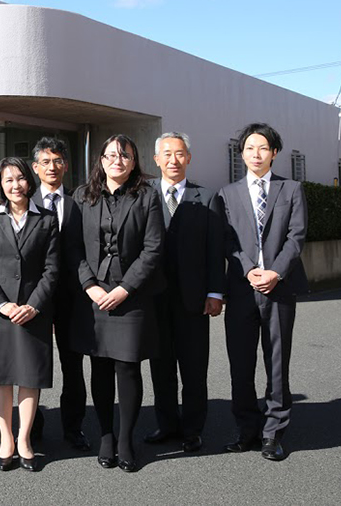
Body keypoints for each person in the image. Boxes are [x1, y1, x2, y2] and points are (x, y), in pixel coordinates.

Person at [68, 135, 164, 473]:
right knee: (100, 366)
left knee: (127, 366)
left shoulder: (147, 196)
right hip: (93, 293)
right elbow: (73, 247)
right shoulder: (82, 196)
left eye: (124, 155)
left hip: (130, 294)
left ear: (134, 161)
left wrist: (126, 288)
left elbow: (153, 249)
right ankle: (106, 435)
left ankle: (125, 439)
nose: (117, 160)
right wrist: (89, 285)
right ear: (101, 160)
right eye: (110, 155)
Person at [217, 123, 308, 462]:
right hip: (242, 289)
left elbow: (296, 237)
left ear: (274, 152)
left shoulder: (292, 189)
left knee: (277, 362)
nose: (256, 154)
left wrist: (276, 272)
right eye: (250, 148)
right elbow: (227, 240)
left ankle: (273, 433)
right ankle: (246, 430)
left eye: (263, 148)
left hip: (279, 289)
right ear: (241, 153)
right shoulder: (227, 194)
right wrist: (247, 268)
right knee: (240, 364)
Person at [0, 157, 59, 472]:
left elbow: (52, 270)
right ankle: (5, 438)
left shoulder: (47, 220)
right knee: (1, 377)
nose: (15, 185)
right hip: (0, 313)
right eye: (8, 179)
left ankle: (24, 438)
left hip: (33, 312)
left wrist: (33, 304)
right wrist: (2, 304)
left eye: (21, 178)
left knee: (29, 376)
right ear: (0, 184)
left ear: (30, 182)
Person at [145, 132, 225, 453]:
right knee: (160, 366)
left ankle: (193, 428)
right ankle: (166, 424)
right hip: (154, 300)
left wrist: (216, 292)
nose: (173, 160)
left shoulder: (206, 197)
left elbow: (215, 250)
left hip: (194, 300)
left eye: (179, 154)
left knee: (193, 368)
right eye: (166, 154)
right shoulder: (144, 194)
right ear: (156, 160)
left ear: (188, 158)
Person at [31, 136, 90, 451]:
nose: (51, 167)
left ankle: (73, 427)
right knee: (34, 362)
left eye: (57, 161)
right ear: (35, 167)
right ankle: (33, 424)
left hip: (72, 297)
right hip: (35, 296)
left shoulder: (80, 200)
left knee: (73, 365)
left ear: (65, 165)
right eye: (45, 162)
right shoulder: (24, 200)